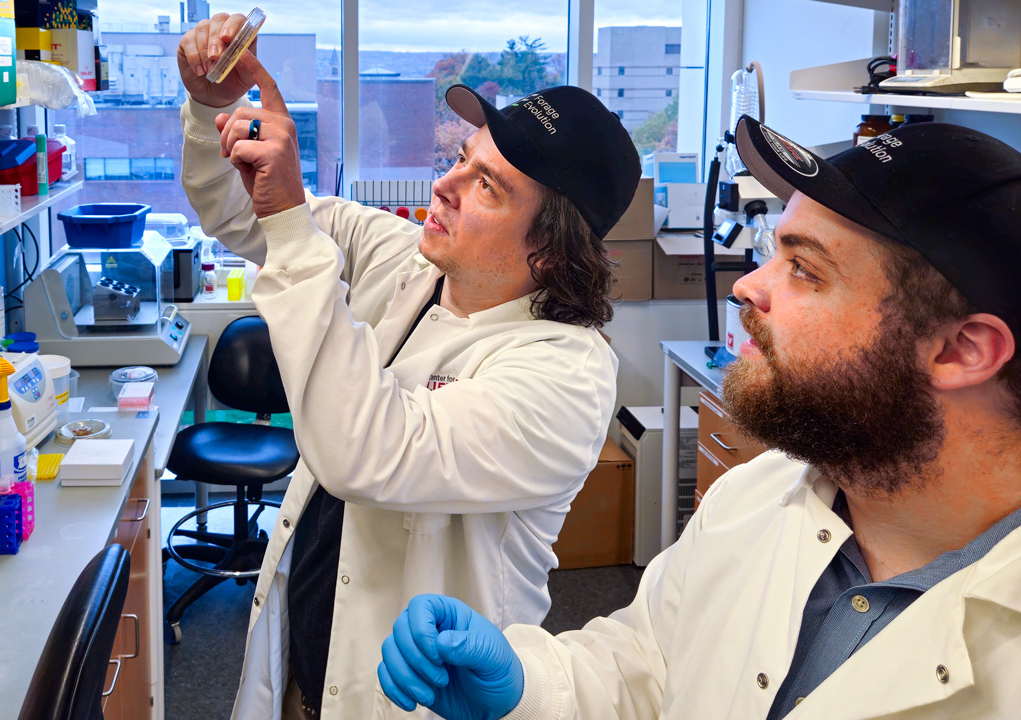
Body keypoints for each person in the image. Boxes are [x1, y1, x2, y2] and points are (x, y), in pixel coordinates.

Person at [376, 116, 1021, 719]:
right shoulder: (755, 493)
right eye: (773, 252)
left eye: (804, 269)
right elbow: (648, 666)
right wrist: (529, 685)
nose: (748, 285)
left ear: (960, 350)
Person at [176, 13, 642, 719]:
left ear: (549, 249)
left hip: (413, 696)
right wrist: (212, 107)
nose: (445, 185)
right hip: (305, 661)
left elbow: (365, 451)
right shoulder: (407, 258)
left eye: (486, 186)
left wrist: (297, 236)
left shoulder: (565, 374)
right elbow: (243, 216)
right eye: (461, 158)